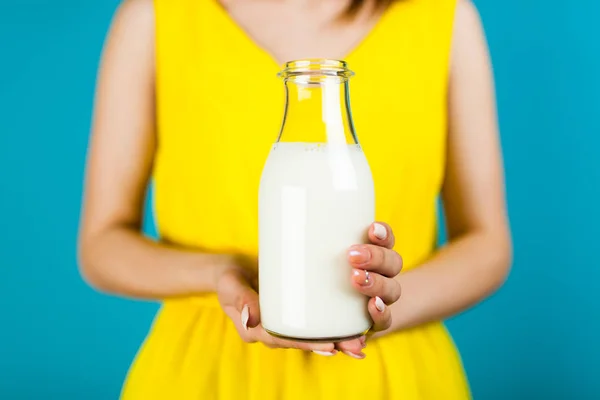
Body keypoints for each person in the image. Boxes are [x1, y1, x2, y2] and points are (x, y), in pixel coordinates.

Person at [78, 0, 512, 398]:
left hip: (394, 378)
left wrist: (381, 305)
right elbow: (101, 244)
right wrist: (220, 274)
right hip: (206, 375)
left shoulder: (444, 18)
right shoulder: (156, 17)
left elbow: (487, 244)